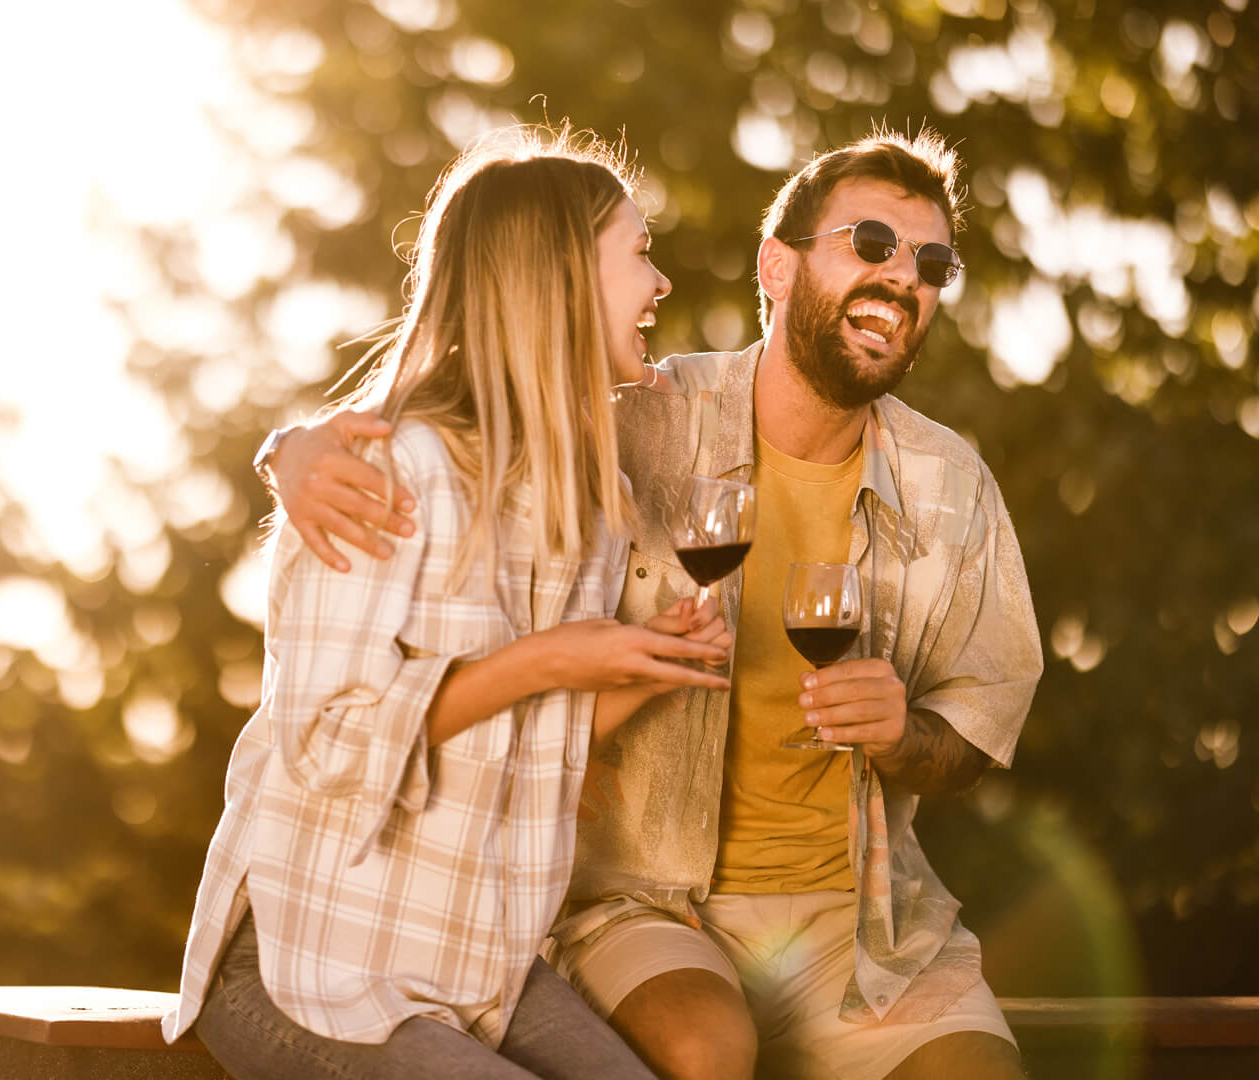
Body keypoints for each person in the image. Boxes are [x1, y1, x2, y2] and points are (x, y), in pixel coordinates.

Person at [262, 127, 1044, 1080]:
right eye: (871, 244)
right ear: (778, 266)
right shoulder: (638, 417)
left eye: (931, 261)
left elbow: (974, 733)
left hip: (862, 922)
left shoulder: (953, 486)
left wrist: (902, 734)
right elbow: (485, 386)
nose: (904, 276)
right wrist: (294, 450)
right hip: (641, 898)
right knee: (705, 1054)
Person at [162, 127, 737, 1079]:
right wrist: (550, 658)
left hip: (474, 963)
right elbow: (328, 746)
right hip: (306, 962)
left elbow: (537, 740)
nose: (662, 283)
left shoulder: (587, 512)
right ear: (556, 282)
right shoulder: (386, 474)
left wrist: (643, 665)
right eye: (639, 254)